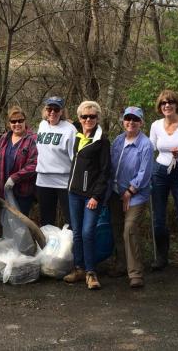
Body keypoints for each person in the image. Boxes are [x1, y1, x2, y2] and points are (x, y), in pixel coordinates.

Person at [64, 101, 110, 290]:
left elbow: (105, 171)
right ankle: (79, 268)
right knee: (76, 232)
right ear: (79, 119)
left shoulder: (102, 141)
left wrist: (96, 196)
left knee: (87, 232)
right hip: (74, 193)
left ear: (97, 118)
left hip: (91, 196)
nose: (88, 119)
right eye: (84, 116)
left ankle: (91, 272)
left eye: (92, 116)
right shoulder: (77, 136)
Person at [149, 90, 178, 271]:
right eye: (163, 103)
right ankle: (162, 257)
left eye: (170, 102)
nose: (166, 105)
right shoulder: (155, 125)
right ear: (159, 107)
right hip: (160, 171)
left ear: (177, 104)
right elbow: (149, 149)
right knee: (158, 218)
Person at [109, 107, 153, 288]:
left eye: (135, 119)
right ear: (123, 120)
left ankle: (135, 273)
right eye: (128, 119)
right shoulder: (118, 140)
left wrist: (130, 190)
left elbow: (145, 172)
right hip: (115, 192)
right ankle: (121, 265)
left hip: (136, 194)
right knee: (117, 228)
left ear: (141, 122)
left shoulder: (146, 144)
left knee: (130, 228)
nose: (131, 122)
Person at [35, 96, 77, 227]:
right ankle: (48, 246)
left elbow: (74, 157)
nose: (52, 112)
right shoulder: (42, 125)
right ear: (45, 110)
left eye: (56, 109)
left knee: (70, 218)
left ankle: (70, 246)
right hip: (43, 180)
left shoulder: (70, 129)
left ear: (62, 111)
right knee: (46, 220)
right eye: (49, 109)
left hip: (63, 181)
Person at [0, 106, 37, 216]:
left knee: (21, 225)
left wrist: (14, 178)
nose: (17, 124)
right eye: (13, 121)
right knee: (6, 222)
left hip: (23, 191)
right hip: (4, 191)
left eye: (20, 120)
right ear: (9, 123)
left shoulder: (33, 139)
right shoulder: (3, 139)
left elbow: (34, 164)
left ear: (25, 121)